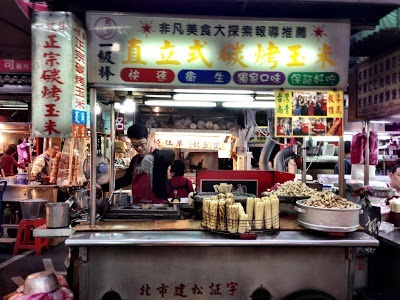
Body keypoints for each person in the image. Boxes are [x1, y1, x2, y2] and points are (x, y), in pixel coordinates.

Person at [102, 124, 175, 204]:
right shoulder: (135, 160)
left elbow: (170, 154)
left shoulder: (159, 157)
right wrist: (103, 187)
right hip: (138, 205)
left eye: (141, 144)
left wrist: (152, 157)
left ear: (149, 138)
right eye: (135, 145)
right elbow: (126, 180)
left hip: (158, 205)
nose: (139, 148)